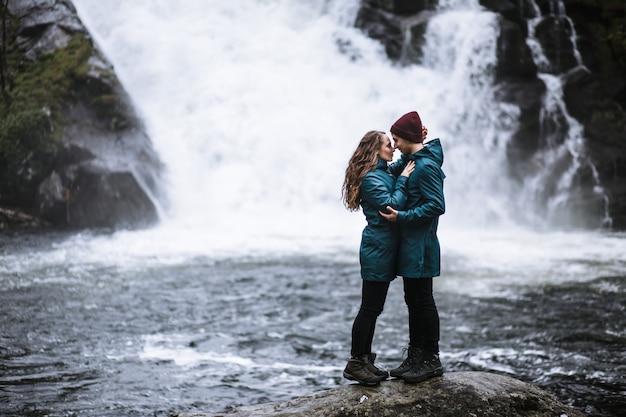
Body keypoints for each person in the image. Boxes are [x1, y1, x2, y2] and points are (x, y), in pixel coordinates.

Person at [340, 130, 416, 386]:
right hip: (377, 249)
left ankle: (364, 360)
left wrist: (419, 141)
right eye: (387, 144)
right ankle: (355, 363)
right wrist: (404, 179)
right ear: (375, 150)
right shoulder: (372, 179)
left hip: (383, 248)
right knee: (369, 308)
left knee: (374, 308)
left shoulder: (382, 171)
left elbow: (401, 163)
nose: (393, 148)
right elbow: (390, 206)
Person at [380, 110, 446, 383]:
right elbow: (392, 169)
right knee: (413, 300)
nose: (393, 144)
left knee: (422, 301)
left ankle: (430, 358)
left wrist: (402, 216)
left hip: (422, 246)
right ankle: (415, 356)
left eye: (396, 138)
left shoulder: (427, 166)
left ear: (407, 138)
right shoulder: (414, 160)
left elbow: (437, 205)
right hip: (411, 244)